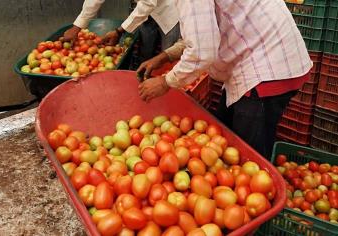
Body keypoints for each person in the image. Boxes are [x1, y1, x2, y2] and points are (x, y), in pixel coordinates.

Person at [137, 0, 312, 159]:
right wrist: (165, 56)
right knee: (223, 136)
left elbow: (201, 52)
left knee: (251, 160)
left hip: (266, 67)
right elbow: (203, 32)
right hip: (267, 56)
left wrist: (165, 82)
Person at [63, 0, 180, 63]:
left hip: (169, 9)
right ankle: (144, 73)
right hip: (144, 9)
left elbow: (148, 3)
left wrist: (119, 31)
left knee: (168, 56)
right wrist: (77, 26)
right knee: (146, 47)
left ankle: (170, 94)